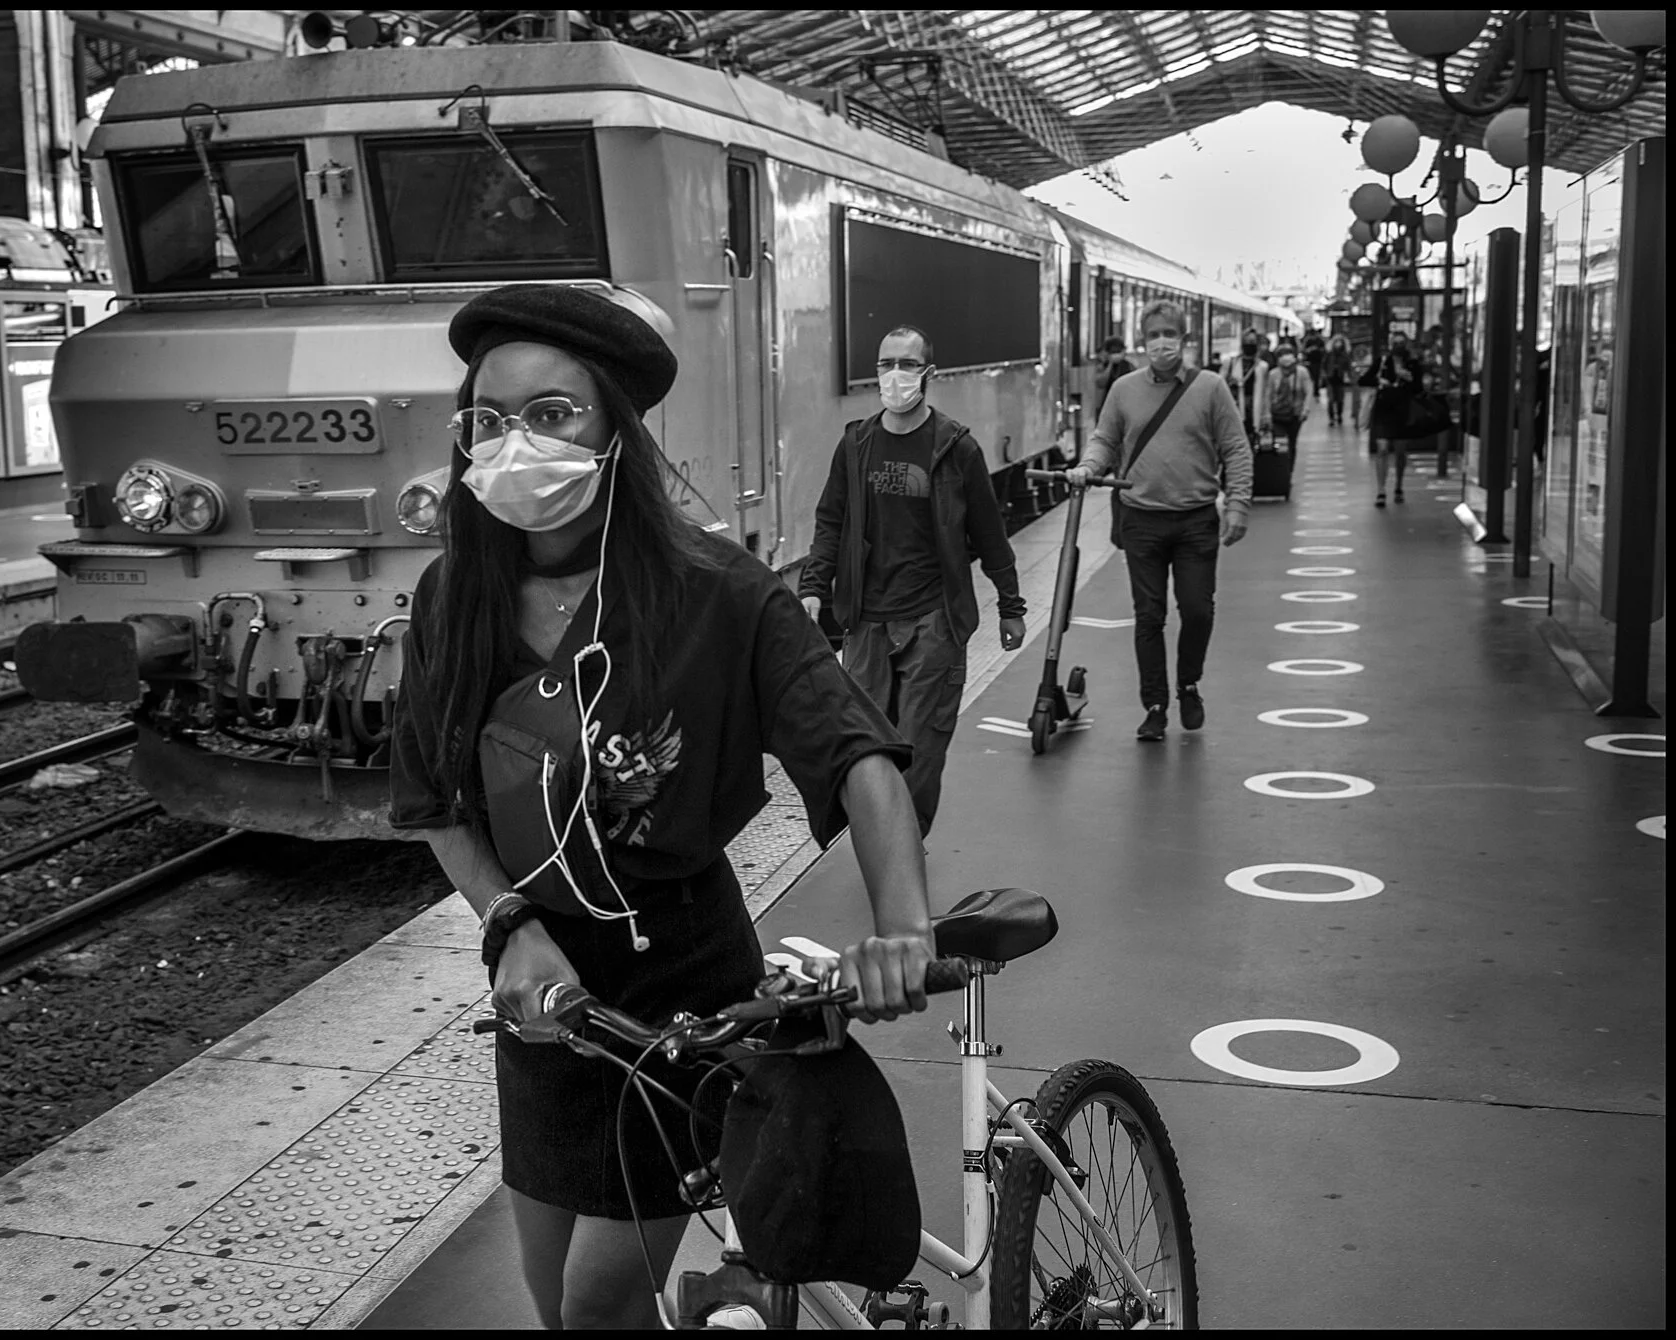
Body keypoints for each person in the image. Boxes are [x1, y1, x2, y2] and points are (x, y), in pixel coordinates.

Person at [389, 284, 936, 1329]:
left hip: (682, 980)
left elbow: (854, 752)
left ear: (613, 433)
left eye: (551, 413)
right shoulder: (451, 597)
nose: (514, 442)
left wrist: (902, 927)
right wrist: (508, 926)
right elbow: (433, 801)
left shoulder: (713, 588)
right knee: (553, 1301)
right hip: (543, 996)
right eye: (488, 420)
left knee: (599, 1297)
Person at [798, 324, 1028, 837]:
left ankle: (906, 844)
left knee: (921, 748)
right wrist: (814, 587)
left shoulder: (955, 448)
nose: (894, 375)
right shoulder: (856, 444)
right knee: (865, 747)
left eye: (906, 364)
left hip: (933, 622)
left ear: (929, 373)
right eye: (885, 365)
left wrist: (1011, 605)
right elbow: (830, 521)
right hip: (867, 623)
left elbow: (989, 535)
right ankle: (879, 837)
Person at [1066, 299, 1252, 741]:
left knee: (1196, 609)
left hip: (1195, 520)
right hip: (1142, 520)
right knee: (1148, 617)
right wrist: (1088, 468)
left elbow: (1236, 449)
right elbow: (1104, 439)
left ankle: (1188, 684)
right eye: (1154, 335)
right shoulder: (1124, 390)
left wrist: (1240, 503)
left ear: (1185, 341)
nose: (1162, 343)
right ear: (1143, 341)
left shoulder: (1210, 388)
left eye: (1170, 334)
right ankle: (1154, 706)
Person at [1368, 330, 1424, 506]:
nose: (1398, 346)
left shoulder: (1413, 364)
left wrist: (1409, 378)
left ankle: (1399, 485)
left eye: (1402, 342)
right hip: (1384, 409)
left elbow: (1419, 388)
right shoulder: (1383, 362)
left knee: (1400, 450)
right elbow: (1365, 379)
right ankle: (1381, 490)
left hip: (1403, 409)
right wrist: (1379, 381)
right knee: (1382, 448)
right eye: (1395, 342)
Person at [1224, 328, 1272, 453]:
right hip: (1233, 410)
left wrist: (1266, 416)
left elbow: (1265, 393)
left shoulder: (1262, 366)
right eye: (1247, 341)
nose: (1249, 344)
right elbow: (1219, 385)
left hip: (1252, 413)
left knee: (1249, 447)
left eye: (1252, 341)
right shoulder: (1230, 363)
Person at [1269, 344, 1315, 455]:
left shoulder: (1302, 372)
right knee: (1280, 443)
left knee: (1292, 442)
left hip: (1295, 414)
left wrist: (1306, 410)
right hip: (1277, 415)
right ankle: (1282, 466)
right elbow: (1268, 395)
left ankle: (1289, 468)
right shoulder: (1273, 374)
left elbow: (1308, 391)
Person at [1092, 334, 1134, 420]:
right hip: (1108, 403)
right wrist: (1110, 364)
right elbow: (1101, 383)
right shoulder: (1103, 366)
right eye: (1113, 352)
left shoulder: (1129, 365)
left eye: (1118, 352)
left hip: (1127, 403)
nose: (1116, 354)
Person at [1325, 330, 1352, 426]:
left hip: (1340, 379)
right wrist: (1324, 375)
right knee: (1331, 400)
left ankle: (1339, 415)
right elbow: (1324, 365)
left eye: (1340, 342)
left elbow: (1348, 367)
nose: (1338, 344)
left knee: (1340, 400)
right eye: (1336, 342)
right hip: (1330, 378)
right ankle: (1331, 418)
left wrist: (1350, 377)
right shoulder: (1329, 354)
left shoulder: (1345, 355)